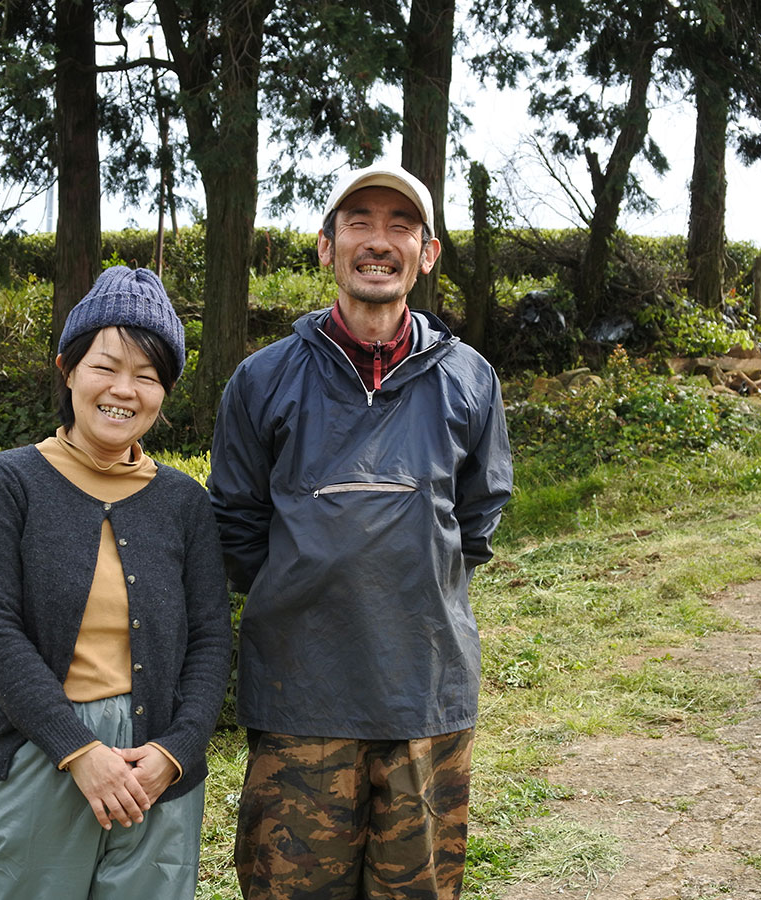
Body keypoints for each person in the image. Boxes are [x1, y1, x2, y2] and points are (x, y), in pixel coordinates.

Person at [208, 163, 514, 899]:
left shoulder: (471, 381)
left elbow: (476, 520)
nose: (379, 241)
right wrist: (310, 584)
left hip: (425, 694)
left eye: (400, 225)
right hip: (298, 701)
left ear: (428, 253)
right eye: (359, 222)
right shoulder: (261, 380)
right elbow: (237, 524)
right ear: (326, 246)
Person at [0, 266, 231, 899]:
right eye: (106, 367)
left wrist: (177, 751)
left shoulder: (183, 502)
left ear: (165, 391)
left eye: (147, 375)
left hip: (156, 768)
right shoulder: (9, 483)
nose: (123, 390)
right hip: (41, 753)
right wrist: (78, 750)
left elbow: (212, 639)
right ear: (69, 369)